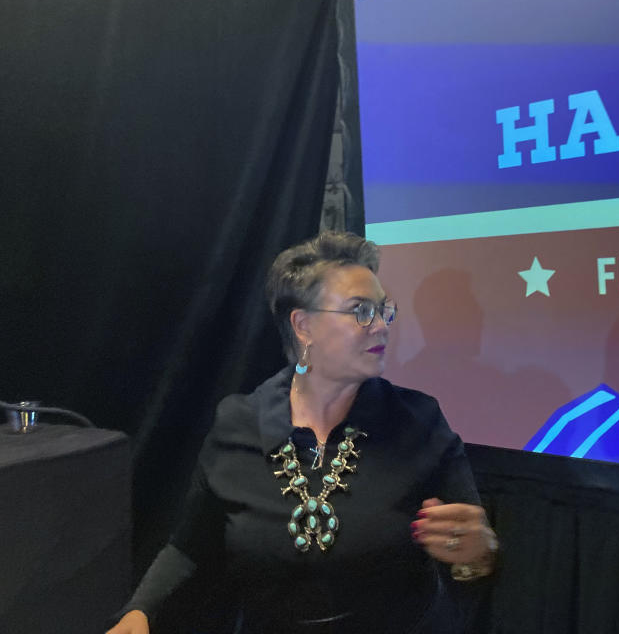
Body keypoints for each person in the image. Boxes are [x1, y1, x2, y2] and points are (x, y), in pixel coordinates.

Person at [108, 231, 497, 633]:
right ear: (303, 325)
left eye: (384, 311)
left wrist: (478, 552)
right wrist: (140, 612)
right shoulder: (238, 424)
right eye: (361, 311)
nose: (381, 326)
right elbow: (191, 545)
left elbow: (477, 552)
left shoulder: (419, 421)